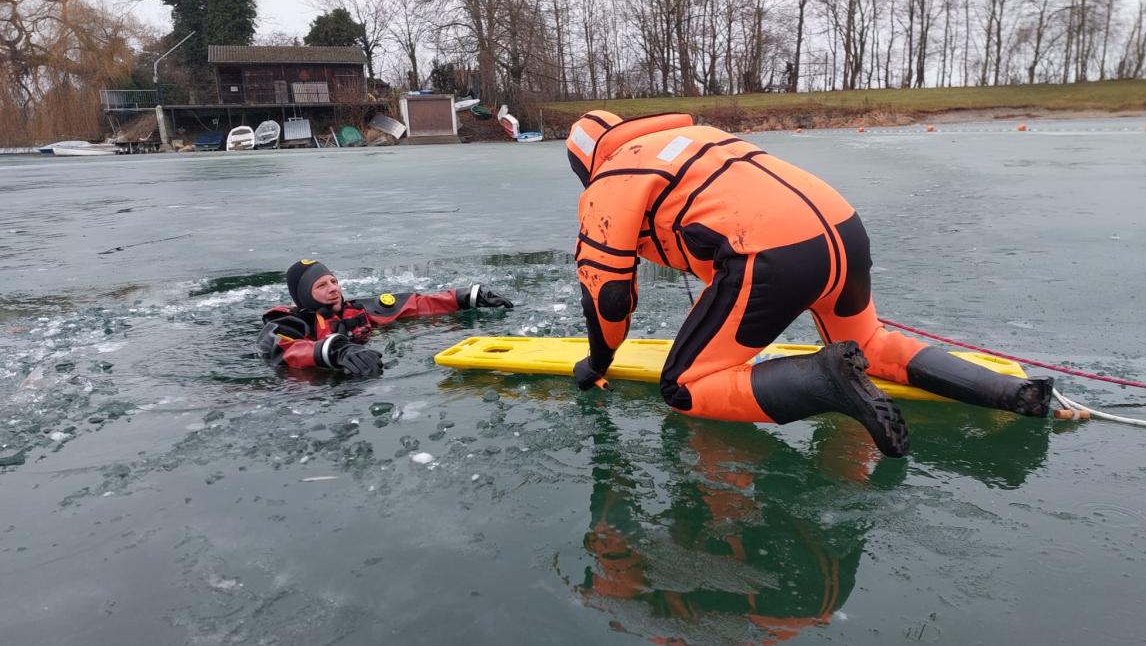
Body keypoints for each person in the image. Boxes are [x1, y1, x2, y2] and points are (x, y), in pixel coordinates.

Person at [565, 110, 1053, 458]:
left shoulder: (611, 181)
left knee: (684, 386)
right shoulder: (697, 137)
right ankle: (1015, 395)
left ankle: (827, 381)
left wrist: (598, 361)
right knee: (870, 342)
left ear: (583, 165)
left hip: (768, 252)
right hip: (841, 227)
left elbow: (607, 294)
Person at [258, 259, 512, 377]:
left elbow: (415, 305)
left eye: (334, 281)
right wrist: (336, 352)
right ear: (304, 295)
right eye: (322, 285)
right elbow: (284, 350)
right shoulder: (288, 323)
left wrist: (465, 296)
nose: (333, 288)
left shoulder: (357, 310)